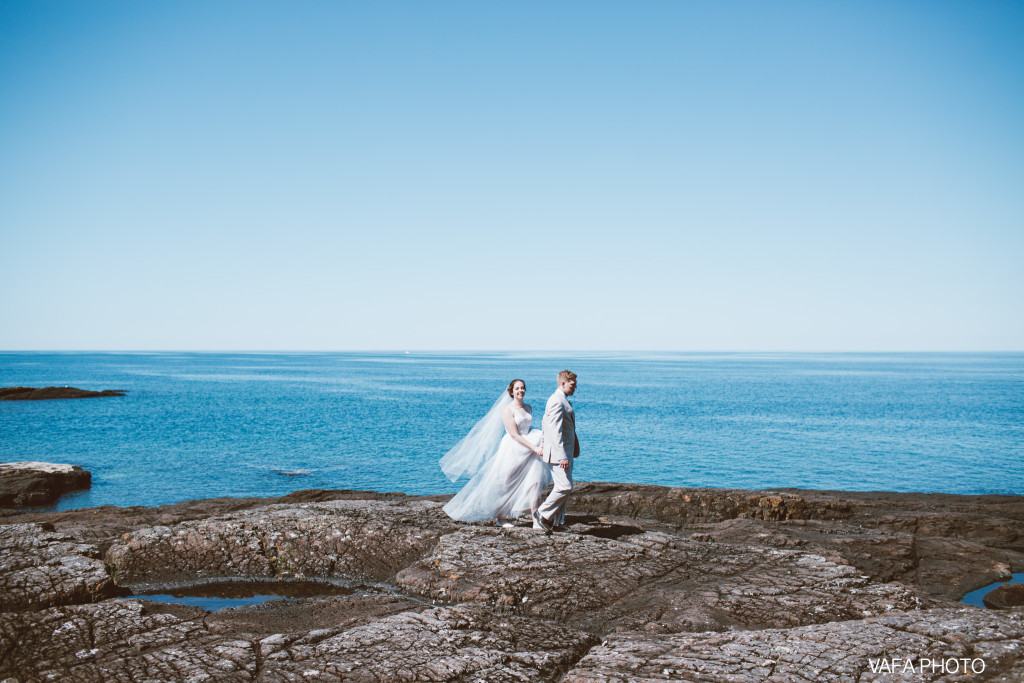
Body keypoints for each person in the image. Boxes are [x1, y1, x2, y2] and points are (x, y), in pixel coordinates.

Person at [440, 379, 551, 527]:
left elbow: (527, 428)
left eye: (522, 388)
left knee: (534, 482)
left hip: (530, 447)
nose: (520, 391)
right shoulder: (507, 410)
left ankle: (536, 518)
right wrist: (534, 447)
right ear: (511, 392)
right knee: (506, 483)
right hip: (514, 449)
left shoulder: (528, 407)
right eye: (517, 388)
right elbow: (514, 435)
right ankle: (501, 518)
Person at [533, 370, 578, 534]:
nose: (575, 388)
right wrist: (562, 456)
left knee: (564, 486)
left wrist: (545, 444)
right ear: (563, 383)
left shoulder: (562, 400)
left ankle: (558, 521)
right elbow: (554, 429)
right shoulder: (556, 401)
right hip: (560, 454)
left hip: (564, 452)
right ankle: (542, 513)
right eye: (572, 385)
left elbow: (545, 423)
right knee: (565, 487)